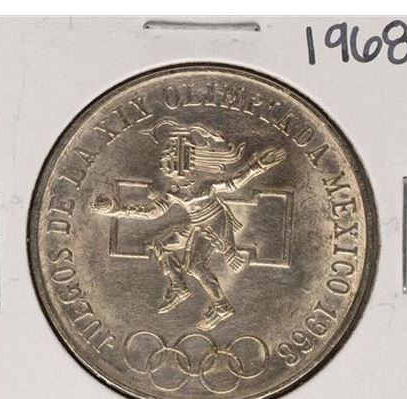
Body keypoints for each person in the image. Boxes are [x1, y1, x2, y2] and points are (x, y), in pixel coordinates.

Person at [90, 119, 285, 332]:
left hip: (214, 224)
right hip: (197, 225)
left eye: (168, 160)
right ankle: (178, 286)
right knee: (160, 244)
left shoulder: (206, 185)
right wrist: (116, 210)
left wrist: (258, 166)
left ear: (180, 162)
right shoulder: (173, 191)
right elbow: (152, 212)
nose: (163, 165)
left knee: (195, 266)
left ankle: (221, 306)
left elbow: (235, 183)